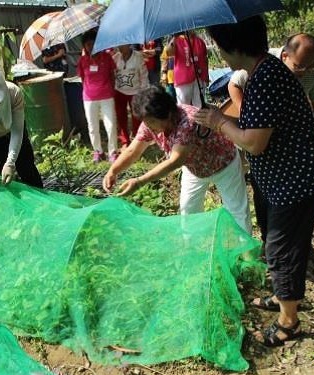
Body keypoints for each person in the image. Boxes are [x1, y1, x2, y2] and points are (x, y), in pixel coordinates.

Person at [198, 16, 314, 347]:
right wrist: (224, 120)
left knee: (282, 250)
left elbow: (254, 142)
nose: (220, 53)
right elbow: (257, 129)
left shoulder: (267, 79)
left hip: (295, 180)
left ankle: (289, 323)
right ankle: (281, 296)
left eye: (219, 46)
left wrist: (218, 121)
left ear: (233, 47)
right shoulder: (263, 72)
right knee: (275, 240)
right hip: (280, 176)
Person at [103, 85, 252, 234]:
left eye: (150, 122)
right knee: (188, 209)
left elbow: (175, 161)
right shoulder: (151, 122)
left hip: (223, 163)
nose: (147, 126)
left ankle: (247, 252)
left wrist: (140, 181)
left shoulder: (187, 121)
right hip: (194, 169)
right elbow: (133, 151)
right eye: (145, 121)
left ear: (166, 115)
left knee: (237, 210)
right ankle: (193, 246)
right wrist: (113, 171)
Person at [228, 33, 314, 153]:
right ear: (284, 56)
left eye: (310, 66)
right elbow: (234, 85)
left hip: (289, 131)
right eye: (299, 67)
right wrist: (247, 117)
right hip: (260, 129)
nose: (304, 72)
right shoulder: (262, 62)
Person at [77, 30, 118, 163]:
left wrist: (110, 90)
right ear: (84, 46)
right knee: (92, 126)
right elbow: (82, 78)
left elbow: (112, 75)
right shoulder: (82, 60)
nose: (91, 46)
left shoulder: (107, 57)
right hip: (89, 98)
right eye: (87, 44)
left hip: (107, 95)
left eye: (93, 43)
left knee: (110, 125)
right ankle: (98, 151)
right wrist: (90, 90)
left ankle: (113, 152)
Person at [113, 44, 149, 148]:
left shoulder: (138, 57)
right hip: (119, 91)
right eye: (118, 45)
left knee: (136, 117)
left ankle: (137, 140)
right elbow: (113, 75)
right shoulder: (115, 58)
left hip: (135, 92)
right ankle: (125, 140)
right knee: (121, 116)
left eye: (122, 45)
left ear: (129, 44)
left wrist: (143, 93)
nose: (120, 47)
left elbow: (143, 75)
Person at [165, 31, 209, 108]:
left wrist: (206, 76)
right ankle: (187, 120)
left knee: (199, 106)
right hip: (183, 80)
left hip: (199, 78)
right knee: (184, 107)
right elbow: (168, 52)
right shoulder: (177, 40)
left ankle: (199, 120)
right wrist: (174, 37)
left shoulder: (199, 41)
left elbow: (205, 59)